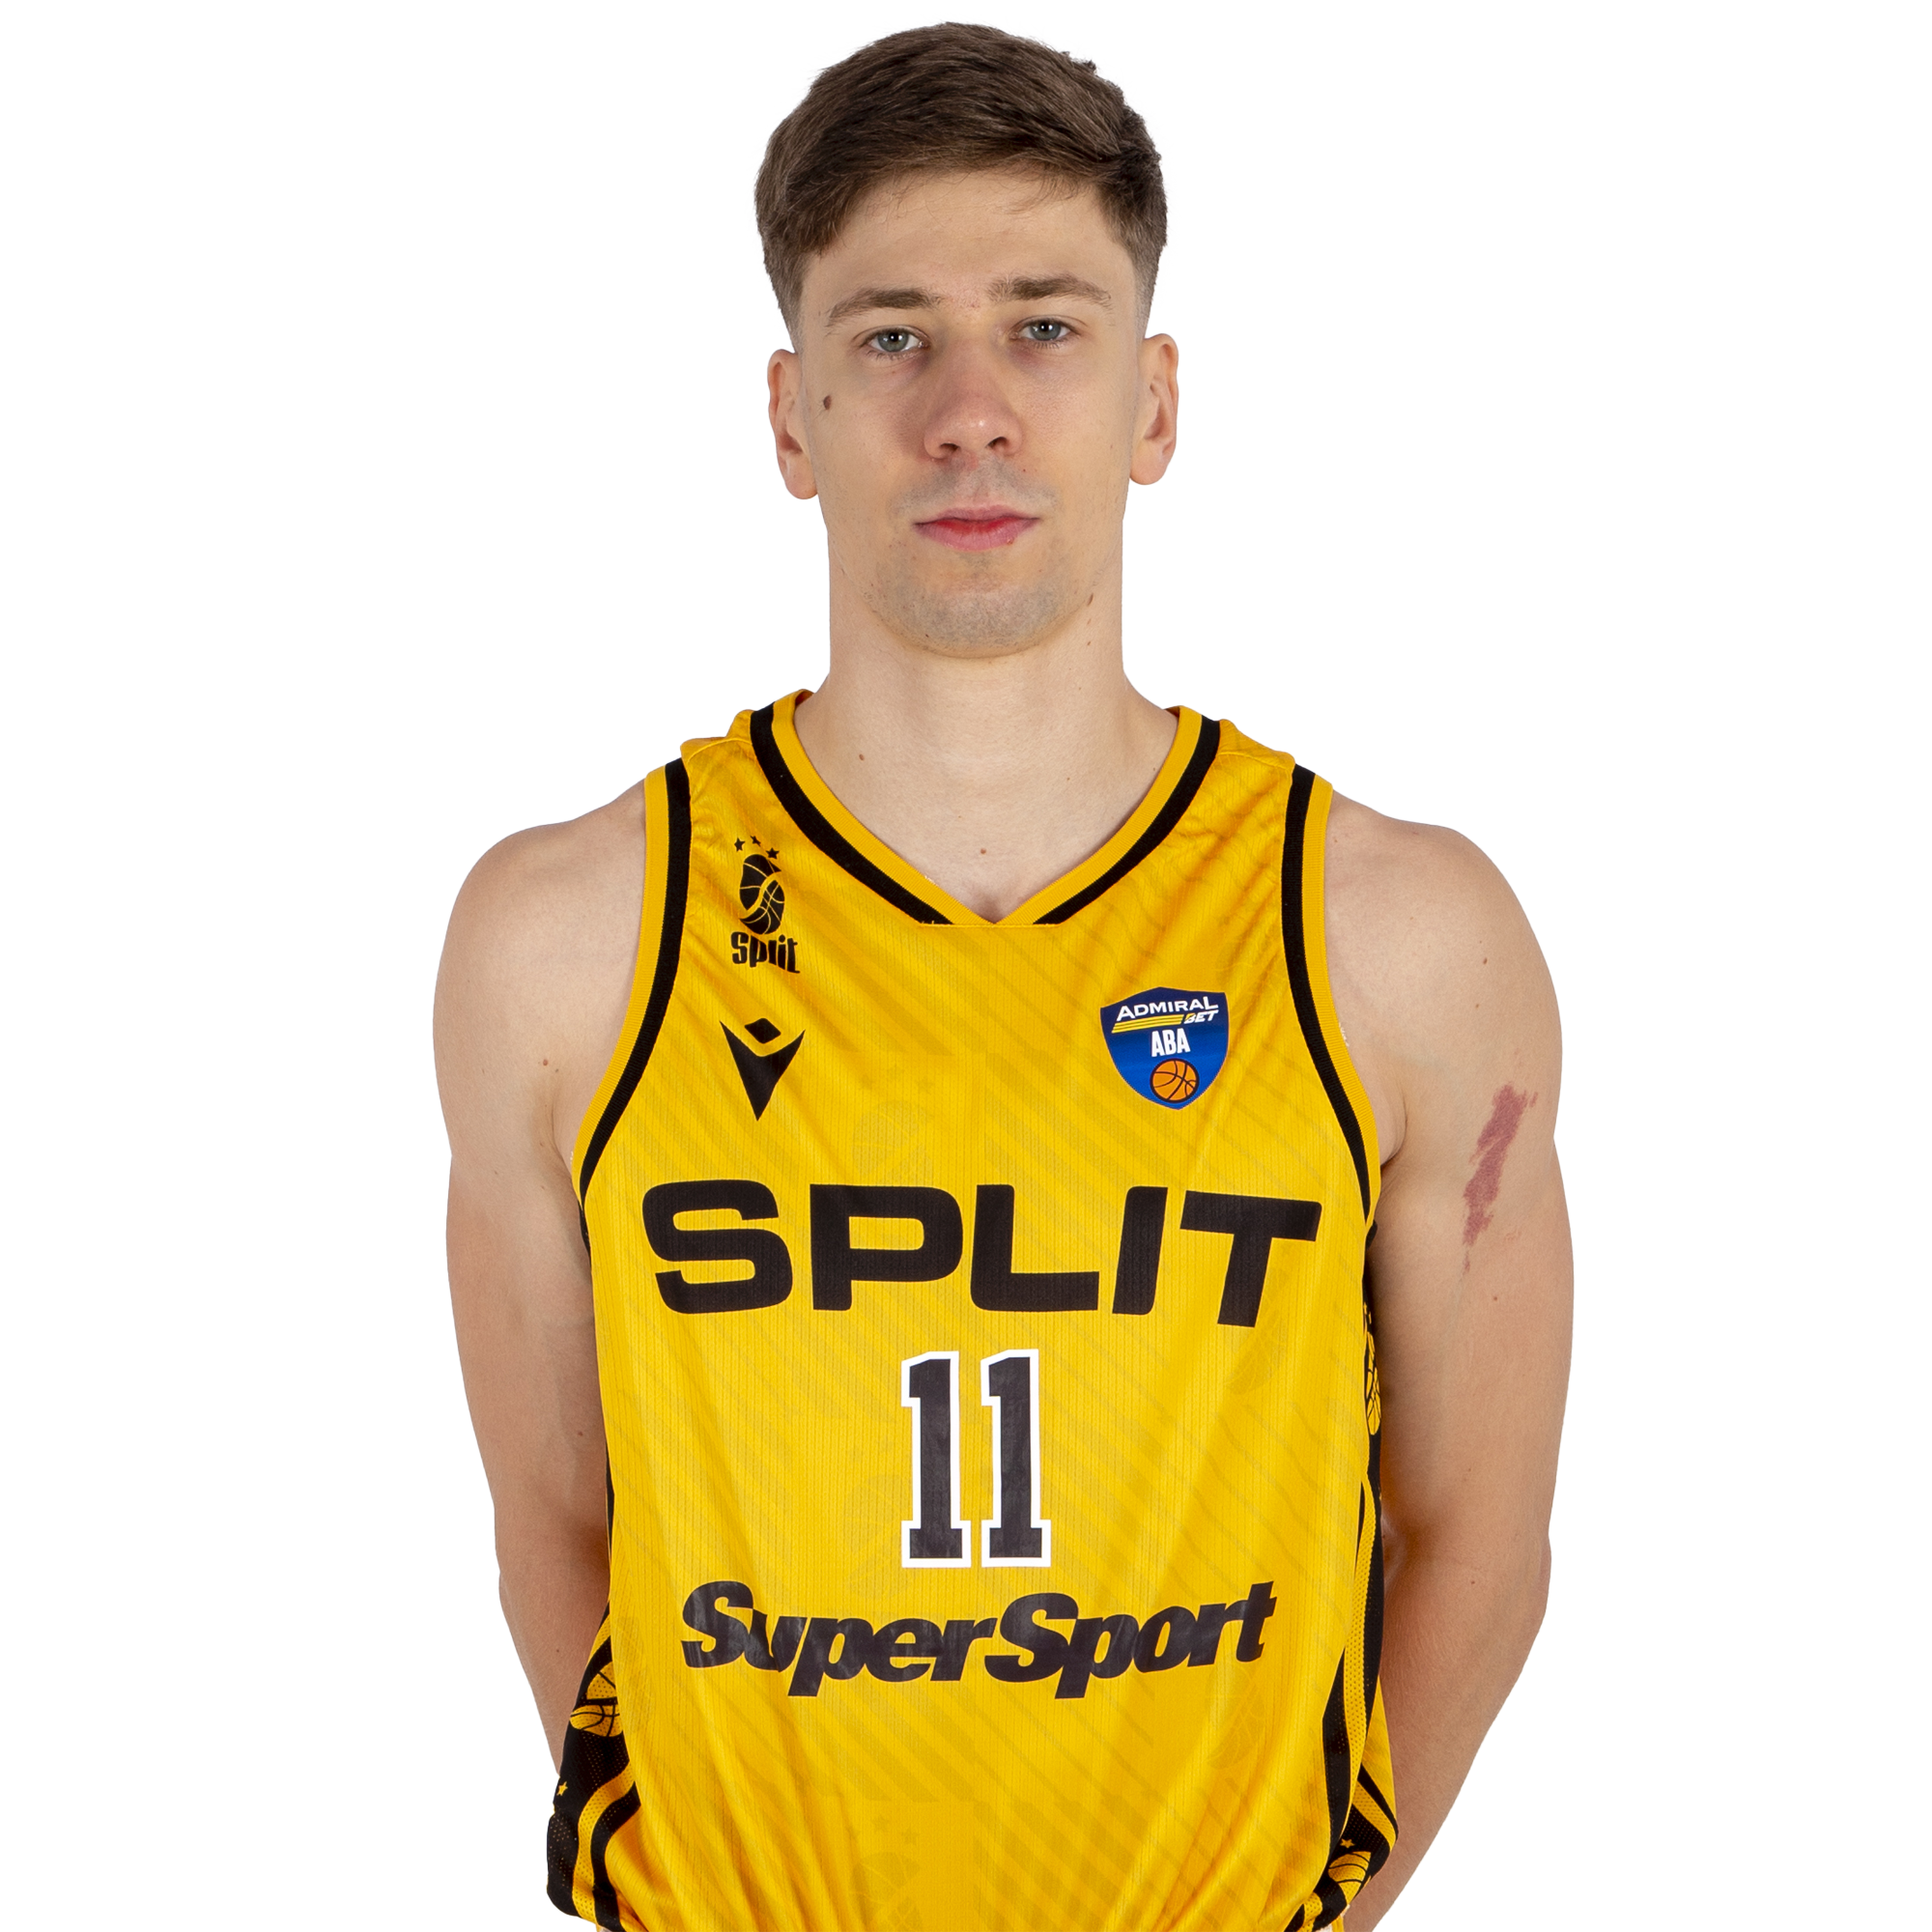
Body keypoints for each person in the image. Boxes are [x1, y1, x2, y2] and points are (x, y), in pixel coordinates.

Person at [435, 21, 1571, 1931]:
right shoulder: (569, 940)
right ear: (790, 418)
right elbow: (555, 1516)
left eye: (1045, 326)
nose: (969, 411)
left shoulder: (1394, 934)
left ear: (1152, 402)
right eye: (892, 337)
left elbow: (1480, 1534)